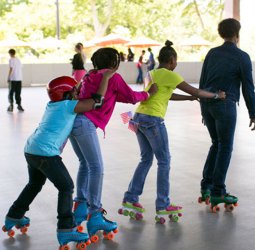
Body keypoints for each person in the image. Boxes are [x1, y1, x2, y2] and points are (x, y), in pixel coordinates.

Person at [2, 71, 115, 248]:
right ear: (66, 94)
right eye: (75, 91)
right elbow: (97, 102)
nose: (78, 94)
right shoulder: (69, 105)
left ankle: (14, 216)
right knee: (66, 186)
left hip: (31, 149)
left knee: (34, 184)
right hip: (45, 154)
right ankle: (66, 228)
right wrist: (106, 78)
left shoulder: (52, 104)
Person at [118, 40, 226, 224]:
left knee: (146, 159)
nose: (176, 64)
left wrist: (189, 98)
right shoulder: (170, 75)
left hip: (139, 118)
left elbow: (165, 95)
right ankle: (163, 204)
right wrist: (217, 95)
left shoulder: (151, 73)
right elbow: (198, 91)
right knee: (164, 161)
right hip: (153, 121)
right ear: (172, 60)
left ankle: (131, 198)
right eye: (176, 61)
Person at [69, 47, 157, 242]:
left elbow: (121, 96)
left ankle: (80, 207)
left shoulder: (89, 76)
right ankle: (95, 214)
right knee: (96, 167)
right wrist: (148, 94)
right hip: (86, 124)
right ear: (115, 64)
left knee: (85, 164)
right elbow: (132, 97)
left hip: (74, 123)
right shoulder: (112, 77)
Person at [198, 18, 255, 212]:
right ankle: (218, 191)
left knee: (216, 144)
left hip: (207, 104)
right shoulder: (242, 56)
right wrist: (253, 114)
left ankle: (206, 185)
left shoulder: (212, 53)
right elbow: (248, 88)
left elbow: (202, 81)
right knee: (225, 147)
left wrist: (202, 109)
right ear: (237, 34)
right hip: (225, 105)